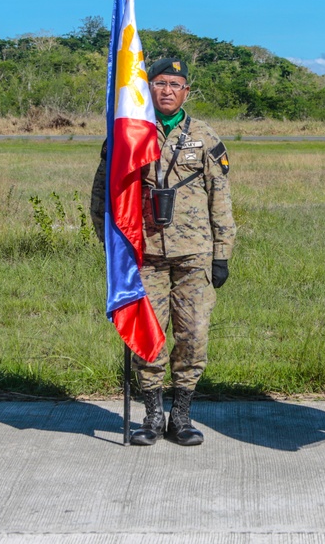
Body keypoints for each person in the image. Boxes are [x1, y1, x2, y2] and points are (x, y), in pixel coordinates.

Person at [91, 57, 235, 447]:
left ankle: (182, 416)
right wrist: (114, 249)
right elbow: (103, 195)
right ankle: (153, 416)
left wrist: (222, 253)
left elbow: (220, 199)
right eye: (160, 83)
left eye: (175, 84)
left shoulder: (204, 136)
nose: (167, 90)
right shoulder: (128, 133)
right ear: (147, 88)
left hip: (194, 255)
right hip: (144, 255)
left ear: (187, 91)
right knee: (147, 336)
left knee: (193, 336)